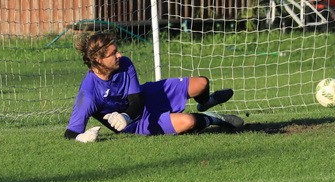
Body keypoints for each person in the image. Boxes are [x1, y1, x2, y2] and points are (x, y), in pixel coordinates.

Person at [65, 31, 243, 142]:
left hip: (147, 97)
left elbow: (136, 100)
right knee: (190, 122)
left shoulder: (124, 63)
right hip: (139, 124)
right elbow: (71, 133)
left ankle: (205, 103)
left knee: (202, 83)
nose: (119, 55)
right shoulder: (88, 95)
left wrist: (125, 116)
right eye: (113, 53)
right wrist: (82, 138)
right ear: (98, 59)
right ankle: (214, 118)